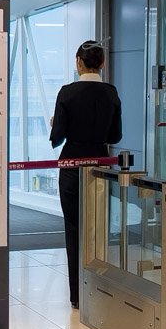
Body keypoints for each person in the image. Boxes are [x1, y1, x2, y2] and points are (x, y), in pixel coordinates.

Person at [49, 40, 122, 309]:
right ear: (102, 63)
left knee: (74, 227)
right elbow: (116, 135)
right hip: (101, 166)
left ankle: (77, 295)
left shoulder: (67, 93)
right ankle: (99, 288)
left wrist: (55, 127)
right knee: (97, 226)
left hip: (71, 166)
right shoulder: (111, 93)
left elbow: (57, 137)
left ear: (79, 62)